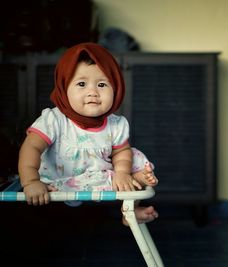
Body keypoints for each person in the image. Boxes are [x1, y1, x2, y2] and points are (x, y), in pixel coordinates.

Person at [18, 42, 158, 225]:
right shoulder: (54, 120)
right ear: (63, 88)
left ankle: (129, 209)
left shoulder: (116, 124)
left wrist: (122, 172)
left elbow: (120, 153)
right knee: (34, 157)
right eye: (81, 84)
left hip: (99, 177)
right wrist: (30, 182)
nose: (93, 92)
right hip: (57, 180)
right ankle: (134, 180)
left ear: (116, 88)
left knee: (134, 156)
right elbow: (31, 147)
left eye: (101, 84)